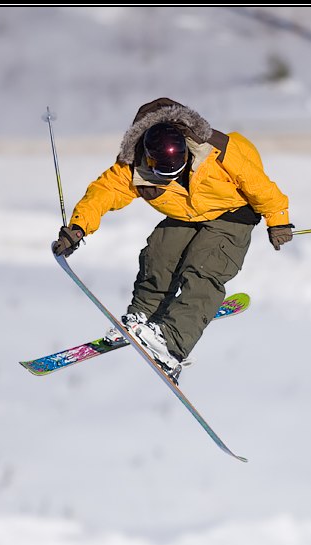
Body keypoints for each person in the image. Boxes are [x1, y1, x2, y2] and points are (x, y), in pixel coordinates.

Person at [52, 97, 293, 382]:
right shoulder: (134, 165)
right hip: (188, 214)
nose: (169, 176)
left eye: (177, 168)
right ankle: (144, 315)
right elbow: (103, 192)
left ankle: (171, 343)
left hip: (233, 213)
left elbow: (259, 185)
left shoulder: (218, 150)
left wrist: (277, 219)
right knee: (160, 252)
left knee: (204, 267)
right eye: (162, 172)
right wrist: (78, 227)